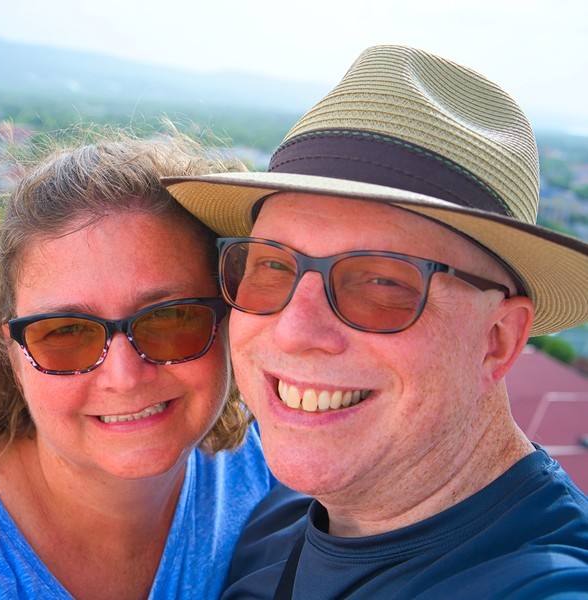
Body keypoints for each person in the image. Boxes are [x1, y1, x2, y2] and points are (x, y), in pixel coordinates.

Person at [163, 45, 588, 598]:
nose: (295, 330)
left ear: (497, 340)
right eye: (270, 264)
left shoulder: (541, 581)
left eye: (382, 283)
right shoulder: (267, 528)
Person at [0, 131, 284, 599]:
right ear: (11, 353)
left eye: (169, 319)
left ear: (230, 318)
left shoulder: (268, 464)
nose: (125, 376)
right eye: (67, 332)